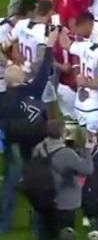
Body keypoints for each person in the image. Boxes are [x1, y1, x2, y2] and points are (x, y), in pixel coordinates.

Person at [0, 25, 57, 234]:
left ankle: (4, 225)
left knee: (10, 185)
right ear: (20, 80)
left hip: (13, 147)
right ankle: (38, 225)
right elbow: (44, 68)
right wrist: (50, 44)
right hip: (35, 147)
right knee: (38, 185)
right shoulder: (34, 89)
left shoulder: (2, 100)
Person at [32, 119, 95, 239]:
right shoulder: (66, 154)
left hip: (44, 200)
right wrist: (87, 149)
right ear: (62, 133)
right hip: (64, 203)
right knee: (64, 234)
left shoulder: (39, 148)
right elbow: (88, 169)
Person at [59, 26, 98, 136]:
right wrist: (85, 83)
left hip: (80, 106)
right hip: (97, 109)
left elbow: (65, 44)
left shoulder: (85, 46)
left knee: (88, 144)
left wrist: (60, 31)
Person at [54, 12, 94, 141]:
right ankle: (91, 149)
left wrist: (59, 66)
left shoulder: (58, 37)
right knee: (85, 122)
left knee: (69, 119)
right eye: (91, 25)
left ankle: (70, 147)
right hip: (72, 87)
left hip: (60, 85)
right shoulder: (79, 43)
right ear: (86, 24)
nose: (91, 29)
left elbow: (47, 56)